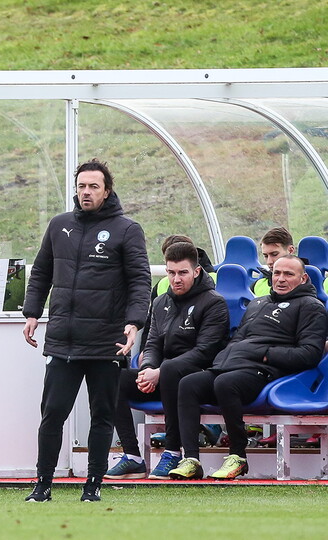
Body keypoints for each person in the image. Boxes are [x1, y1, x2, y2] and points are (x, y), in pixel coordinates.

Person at [21, 159, 151, 502]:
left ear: (106, 191)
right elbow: (41, 273)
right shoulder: (59, 225)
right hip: (63, 339)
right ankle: (43, 485)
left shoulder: (127, 229)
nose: (86, 192)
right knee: (52, 415)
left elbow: (140, 280)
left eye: (94, 186)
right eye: (81, 186)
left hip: (106, 341)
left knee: (102, 416)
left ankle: (93, 485)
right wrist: (32, 313)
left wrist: (134, 322)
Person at [169, 255, 327, 480]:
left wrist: (265, 355)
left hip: (267, 373)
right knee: (188, 383)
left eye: (288, 274)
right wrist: (223, 359)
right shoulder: (258, 303)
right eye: (277, 273)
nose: (280, 279)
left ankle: (237, 456)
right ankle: (191, 459)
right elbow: (238, 340)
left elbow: (309, 354)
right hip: (232, 366)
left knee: (226, 383)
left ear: (303, 279)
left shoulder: (311, 307)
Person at [104, 242, 229, 480]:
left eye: (182, 272)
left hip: (199, 379)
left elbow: (205, 351)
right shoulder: (161, 302)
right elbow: (152, 344)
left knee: (171, 369)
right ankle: (133, 456)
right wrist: (147, 369)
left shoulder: (214, 302)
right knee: (112, 377)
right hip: (163, 376)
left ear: (196, 271)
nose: (176, 279)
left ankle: (172, 452)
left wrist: (159, 372)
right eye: (171, 272)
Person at [253, 227, 295, 295]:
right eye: (266, 256)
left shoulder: (305, 283)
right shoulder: (258, 284)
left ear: (290, 250)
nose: (269, 262)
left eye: (274, 254)